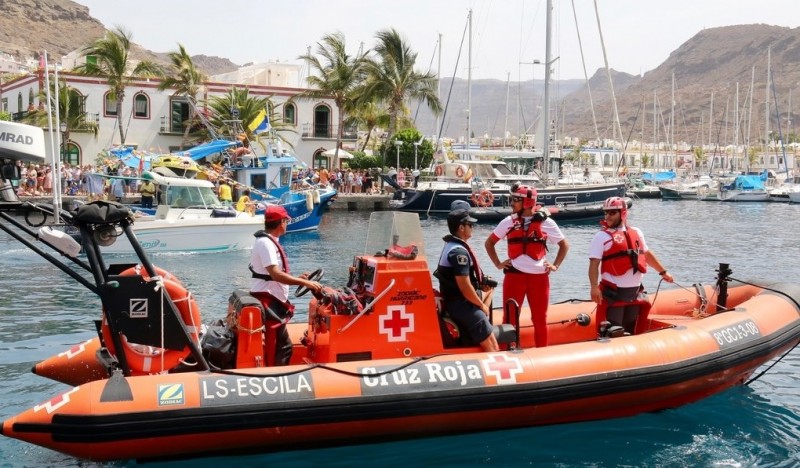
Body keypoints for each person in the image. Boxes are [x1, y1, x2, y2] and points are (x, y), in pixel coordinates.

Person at [484, 184, 569, 348]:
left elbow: (564, 245)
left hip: (539, 279)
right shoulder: (508, 222)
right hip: (514, 276)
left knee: (539, 318)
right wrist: (498, 264)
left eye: (515, 200)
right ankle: (508, 351)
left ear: (528, 202)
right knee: (509, 318)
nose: (512, 203)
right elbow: (489, 243)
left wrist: (555, 265)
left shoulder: (547, 223)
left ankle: (541, 352)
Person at [588, 196, 674, 336]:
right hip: (614, 294)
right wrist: (593, 287)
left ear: (623, 213)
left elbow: (646, 254)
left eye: (612, 213)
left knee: (631, 329)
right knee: (615, 331)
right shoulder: (601, 237)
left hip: (634, 293)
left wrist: (663, 272)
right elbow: (594, 264)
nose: (607, 216)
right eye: (606, 213)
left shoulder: (636, 232)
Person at [249, 205, 322, 365]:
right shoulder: (266, 243)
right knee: (279, 347)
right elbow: (275, 274)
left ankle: (275, 371)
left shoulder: (268, 241)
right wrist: (305, 282)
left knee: (283, 346)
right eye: (286, 221)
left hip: (272, 298)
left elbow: (272, 274)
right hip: (268, 299)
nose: (287, 224)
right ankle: (273, 374)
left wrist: (297, 278)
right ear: (281, 222)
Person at [435, 208, 498, 352]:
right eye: (470, 224)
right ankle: (481, 321)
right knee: (493, 345)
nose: (472, 227)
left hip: (457, 299)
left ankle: (482, 317)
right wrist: (480, 306)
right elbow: (464, 286)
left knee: (490, 290)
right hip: (461, 303)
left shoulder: (451, 245)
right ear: (461, 228)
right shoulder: (459, 252)